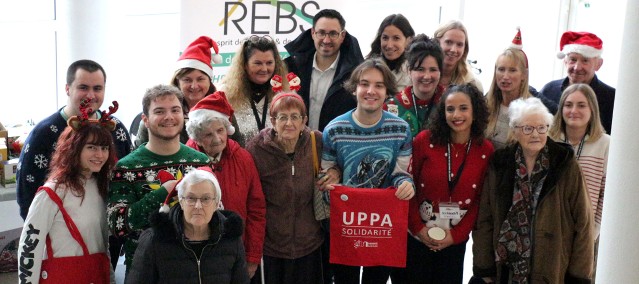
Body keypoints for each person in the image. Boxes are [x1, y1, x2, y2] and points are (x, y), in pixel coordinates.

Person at [16, 59, 132, 270]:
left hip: (106, 245)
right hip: (60, 251)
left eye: (97, 88)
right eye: (83, 87)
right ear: (68, 89)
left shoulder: (117, 130)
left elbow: (126, 181)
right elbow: (27, 196)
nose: (90, 95)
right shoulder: (44, 133)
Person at [472, 97, 594, 283]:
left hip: (551, 264)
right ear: (515, 131)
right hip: (506, 266)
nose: (535, 134)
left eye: (541, 127)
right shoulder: (500, 163)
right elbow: (485, 218)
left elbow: (583, 222)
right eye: (528, 128)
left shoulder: (564, 163)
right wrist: (484, 267)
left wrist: (579, 275)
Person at [321, 58, 415, 284]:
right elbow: (326, 181)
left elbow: (402, 173)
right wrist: (329, 186)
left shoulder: (401, 130)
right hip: (347, 225)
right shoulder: (334, 130)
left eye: (379, 85)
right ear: (354, 88)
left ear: (388, 91)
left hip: (383, 225)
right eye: (364, 84)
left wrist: (406, 185)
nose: (371, 91)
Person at [107, 84, 211, 272]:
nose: (169, 117)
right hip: (145, 270)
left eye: (175, 110)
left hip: (192, 269)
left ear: (183, 115)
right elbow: (116, 224)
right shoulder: (126, 168)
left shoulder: (200, 162)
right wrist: (163, 193)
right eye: (159, 111)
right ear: (145, 120)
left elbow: (214, 215)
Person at [18, 103, 119, 283]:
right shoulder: (52, 191)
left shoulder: (100, 187)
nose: (100, 154)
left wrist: (110, 279)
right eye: (92, 147)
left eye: (104, 148)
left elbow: (103, 245)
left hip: (95, 275)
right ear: (74, 148)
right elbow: (29, 249)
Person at [246, 93, 338, 284]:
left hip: (310, 243)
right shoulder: (256, 149)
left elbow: (338, 164)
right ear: (272, 121)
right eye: (282, 117)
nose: (289, 123)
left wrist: (335, 172)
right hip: (272, 245)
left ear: (304, 120)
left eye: (295, 117)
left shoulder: (317, 141)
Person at [407, 84, 493, 283]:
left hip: (454, 241)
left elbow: (480, 200)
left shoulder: (485, 150)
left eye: (463, 108)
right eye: (450, 108)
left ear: (475, 111)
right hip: (416, 237)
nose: (456, 115)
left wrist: (456, 236)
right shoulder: (424, 141)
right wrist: (419, 229)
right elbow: (407, 186)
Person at [185, 92, 266, 281]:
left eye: (220, 131)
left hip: (237, 252)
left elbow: (257, 210)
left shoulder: (244, 158)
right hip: (198, 254)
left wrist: (253, 257)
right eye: (208, 134)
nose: (217, 139)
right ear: (197, 137)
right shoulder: (186, 160)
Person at [126, 168, 250, 284]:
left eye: (206, 199)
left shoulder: (230, 239)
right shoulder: (154, 239)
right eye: (191, 198)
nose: (198, 205)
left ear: (216, 203)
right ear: (181, 201)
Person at [548, 83, 609, 280]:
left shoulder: (606, 143)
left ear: (592, 109)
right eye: (568, 105)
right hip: (551, 231)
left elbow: (605, 194)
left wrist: (593, 232)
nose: (574, 111)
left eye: (581, 105)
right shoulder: (549, 140)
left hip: (587, 234)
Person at [135, 36, 243, 147]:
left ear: (209, 81)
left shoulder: (222, 108)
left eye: (200, 79)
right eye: (187, 80)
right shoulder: (159, 110)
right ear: (177, 82)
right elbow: (139, 149)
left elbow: (237, 146)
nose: (194, 86)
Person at [284, 9, 364, 131]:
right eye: (321, 33)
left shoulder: (356, 73)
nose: (326, 40)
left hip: (336, 146)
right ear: (313, 33)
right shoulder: (291, 67)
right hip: (296, 145)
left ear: (342, 36)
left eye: (333, 34)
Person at [485, 29, 557, 149]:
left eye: (512, 70)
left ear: (524, 75)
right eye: (501, 69)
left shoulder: (534, 110)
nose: (505, 76)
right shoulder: (486, 104)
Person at [539, 31, 615, 134]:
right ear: (565, 62)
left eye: (585, 61)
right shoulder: (549, 91)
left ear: (598, 64)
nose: (577, 67)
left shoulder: (613, 98)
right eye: (573, 60)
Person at [220, 35, 289, 146]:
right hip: (240, 161)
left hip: (275, 161)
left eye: (269, 63)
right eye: (258, 63)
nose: (265, 69)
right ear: (245, 65)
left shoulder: (284, 94)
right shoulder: (226, 94)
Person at [385, 34, 444, 137]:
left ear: (441, 72)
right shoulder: (391, 107)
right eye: (420, 69)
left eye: (433, 70)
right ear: (409, 71)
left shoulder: (450, 103)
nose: (427, 76)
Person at [366, 14, 415, 91]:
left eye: (396, 38)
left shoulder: (414, 72)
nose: (389, 45)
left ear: (408, 40)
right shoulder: (367, 68)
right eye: (385, 38)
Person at [433, 20, 483, 92]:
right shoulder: (419, 77)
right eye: (449, 42)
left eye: (459, 45)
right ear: (437, 42)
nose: (453, 50)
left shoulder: (473, 85)